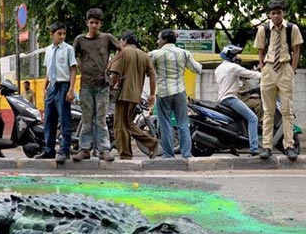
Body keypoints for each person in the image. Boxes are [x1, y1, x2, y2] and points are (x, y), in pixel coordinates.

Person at [254, 0, 303, 161]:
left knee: (287, 111)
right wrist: (262, 69)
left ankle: (289, 145)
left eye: (279, 13)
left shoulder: (291, 29)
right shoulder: (263, 30)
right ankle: (266, 146)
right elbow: (260, 51)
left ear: (283, 13)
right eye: (273, 13)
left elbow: (296, 50)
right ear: (269, 15)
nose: (276, 16)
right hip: (269, 69)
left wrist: (292, 70)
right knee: (268, 111)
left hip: (284, 68)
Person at [72, 8, 120, 162]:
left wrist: (111, 63)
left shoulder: (107, 38)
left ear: (101, 24)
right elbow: (72, 56)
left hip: (102, 86)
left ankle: (104, 150)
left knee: (100, 119)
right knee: (86, 119)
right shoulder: (79, 40)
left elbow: (122, 50)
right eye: (91, 22)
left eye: (96, 23)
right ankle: (84, 149)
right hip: (86, 86)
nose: (93, 25)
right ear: (87, 23)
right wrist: (79, 64)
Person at [149, 29, 203, 159]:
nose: (157, 41)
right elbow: (197, 69)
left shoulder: (155, 54)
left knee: (165, 124)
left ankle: (168, 155)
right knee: (183, 124)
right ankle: (187, 154)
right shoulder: (184, 53)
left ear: (165, 40)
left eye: (159, 38)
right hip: (180, 91)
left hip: (163, 92)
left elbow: (146, 70)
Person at [109, 31, 158, 160]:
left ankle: (127, 153)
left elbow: (115, 74)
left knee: (120, 125)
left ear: (124, 41)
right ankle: (149, 143)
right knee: (127, 123)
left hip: (123, 94)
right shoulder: (144, 55)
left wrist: (109, 88)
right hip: (136, 95)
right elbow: (152, 75)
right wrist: (152, 94)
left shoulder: (122, 52)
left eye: (120, 41)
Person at [35, 22, 77, 163]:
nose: (62, 36)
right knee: (49, 120)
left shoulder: (68, 49)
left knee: (64, 120)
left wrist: (71, 89)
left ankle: (64, 150)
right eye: (59, 33)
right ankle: (49, 150)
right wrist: (45, 86)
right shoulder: (48, 50)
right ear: (52, 34)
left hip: (63, 86)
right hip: (52, 87)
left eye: (64, 34)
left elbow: (73, 69)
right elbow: (48, 70)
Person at [214, 45, 262, 156]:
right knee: (253, 118)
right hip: (230, 99)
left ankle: (235, 144)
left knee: (240, 120)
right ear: (230, 56)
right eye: (235, 55)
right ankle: (254, 148)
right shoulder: (232, 67)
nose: (236, 57)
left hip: (222, 99)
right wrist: (266, 75)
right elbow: (251, 74)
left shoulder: (218, 69)